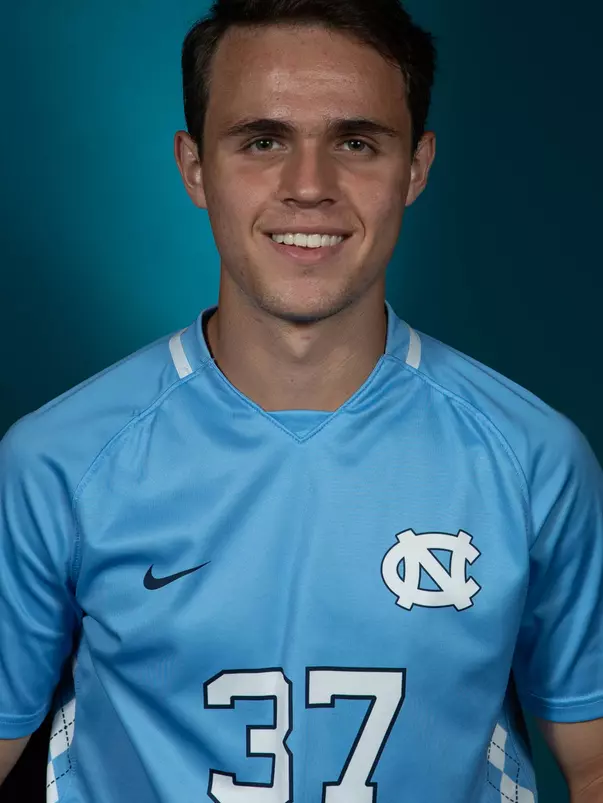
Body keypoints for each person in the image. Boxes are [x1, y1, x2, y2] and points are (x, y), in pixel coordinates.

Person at [1, 0, 602, 800]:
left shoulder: (531, 457)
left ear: (416, 168)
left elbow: (591, 760)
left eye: (355, 142)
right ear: (194, 167)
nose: (309, 187)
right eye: (262, 140)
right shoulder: (57, 460)